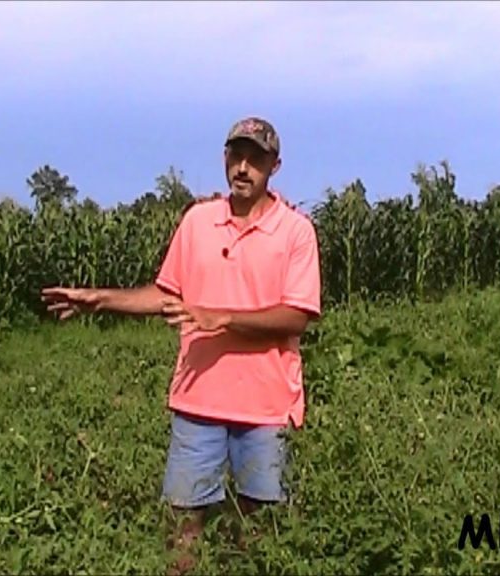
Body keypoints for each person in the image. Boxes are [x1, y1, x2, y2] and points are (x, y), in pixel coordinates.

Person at [40, 116, 322, 573]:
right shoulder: (198, 222)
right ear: (225, 158)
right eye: (236, 156)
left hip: (266, 408)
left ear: (275, 166)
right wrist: (99, 299)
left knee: (258, 531)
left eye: (255, 159)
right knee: (183, 525)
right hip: (198, 401)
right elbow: (166, 293)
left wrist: (221, 317)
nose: (243, 168)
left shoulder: (295, 232)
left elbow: (297, 315)